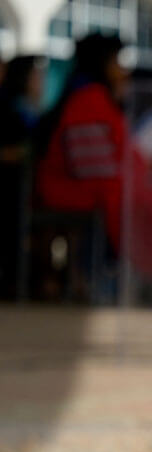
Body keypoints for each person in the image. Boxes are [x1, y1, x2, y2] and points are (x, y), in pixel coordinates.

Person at [35, 33, 152, 304]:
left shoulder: (98, 96)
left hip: (98, 181)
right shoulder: (88, 97)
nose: (123, 70)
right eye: (117, 62)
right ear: (103, 63)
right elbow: (94, 165)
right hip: (72, 186)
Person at [0, 55, 47, 298]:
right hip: (11, 190)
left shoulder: (28, 111)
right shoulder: (11, 110)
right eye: (37, 76)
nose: (41, 82)